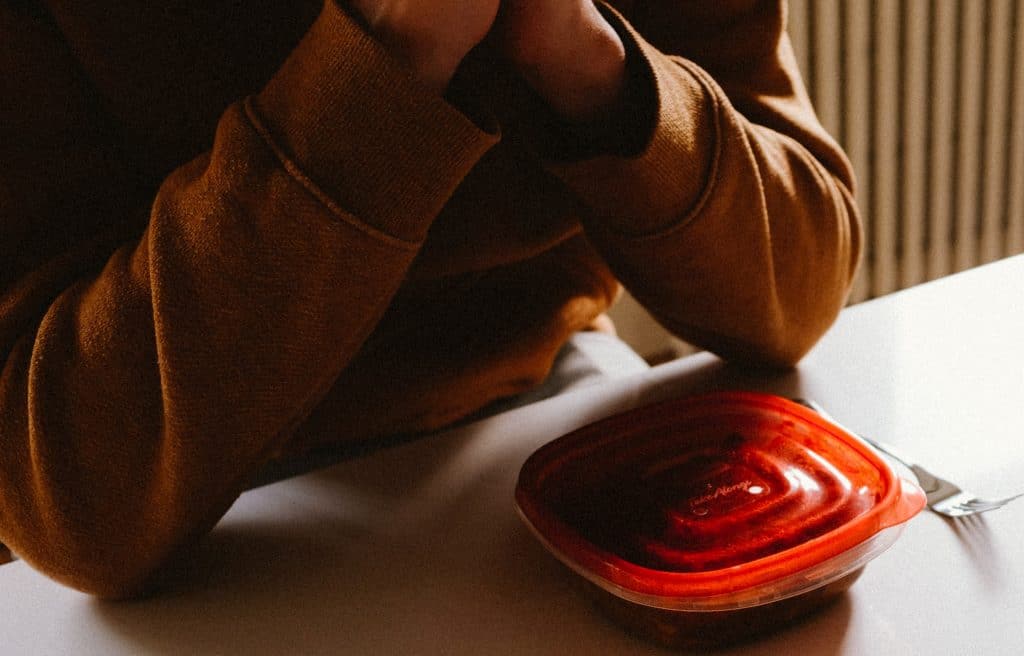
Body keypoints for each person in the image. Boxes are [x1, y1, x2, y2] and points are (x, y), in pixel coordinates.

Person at [0, 0, 861, 597]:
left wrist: (589, 59)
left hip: (548, 406)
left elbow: (801, 292)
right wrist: (389, 60)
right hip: (193, 519)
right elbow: (64, 504)